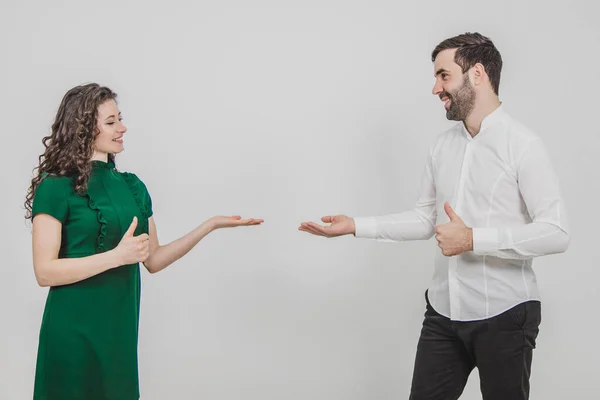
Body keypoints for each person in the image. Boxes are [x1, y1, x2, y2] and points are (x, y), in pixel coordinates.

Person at [299, 32, 569, 399]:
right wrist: (354, 227)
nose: (435, 88)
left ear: (477, 74)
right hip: (443, 313)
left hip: (505, 315)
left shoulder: (523, 145)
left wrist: (473, 239)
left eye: (444, 76)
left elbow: (556, 232)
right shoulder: (442, 145)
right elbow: (425, 220)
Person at [24, 83, 263, 400]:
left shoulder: (132, 186)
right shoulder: (55, 188)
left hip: (118, 334)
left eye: (120, 119)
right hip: (72, 333)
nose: (122, 128)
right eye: (111, 122)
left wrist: (209, 226)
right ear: (83, 128)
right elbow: (44, 271)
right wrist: (116, 257)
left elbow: (154, 259)